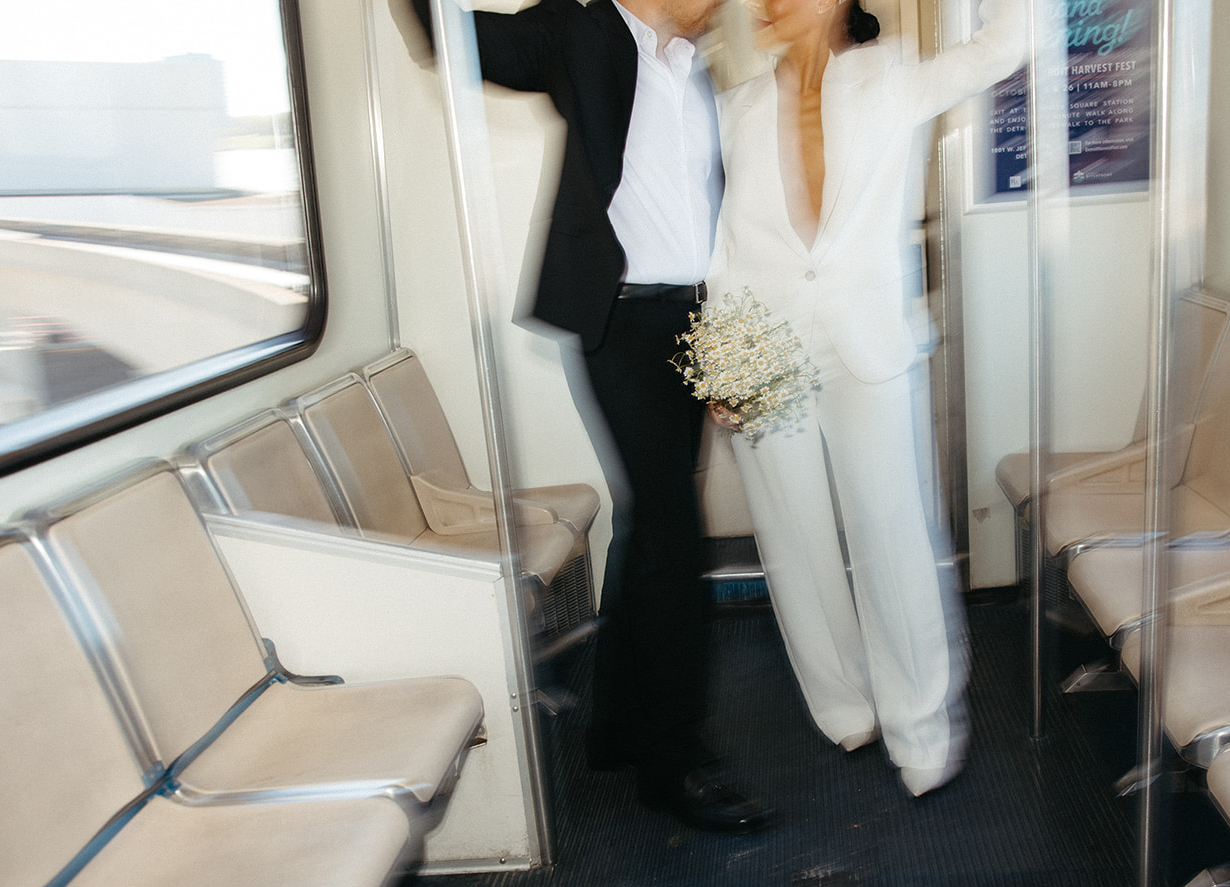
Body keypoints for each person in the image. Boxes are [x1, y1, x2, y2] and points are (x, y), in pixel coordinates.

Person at [409, 0, 771, 832]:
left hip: (701, 317)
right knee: (676, 533)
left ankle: (615, 729)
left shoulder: (702, 69)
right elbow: (457, 35)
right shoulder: (581, 30)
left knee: (652, 520)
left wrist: (740, 352)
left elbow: (715, 215)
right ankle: (673, 764)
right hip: (625, 321)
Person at [705, 0, 1026, 795]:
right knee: (795, 534)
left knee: (893, 531)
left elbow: (1011, 41)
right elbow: (727, 248)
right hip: (764, 345)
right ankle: (844, 702)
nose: (771, 5)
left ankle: (921, 724)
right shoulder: (734, 109)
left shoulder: (892, 82)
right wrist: (722, 363)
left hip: (868, 343)